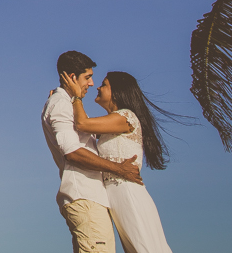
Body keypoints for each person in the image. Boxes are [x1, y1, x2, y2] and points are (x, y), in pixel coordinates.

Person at [60, 70, 175, 253]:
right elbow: (82, 125)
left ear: (117, 92)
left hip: (128, 192)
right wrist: (62, 97)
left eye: (104, 84)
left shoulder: (125, 117)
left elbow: (82, 124)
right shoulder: (112, 121)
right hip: (116, 197)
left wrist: (75, 97)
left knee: (146, 247)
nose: (97, 87)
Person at [42, 51, 143, 253]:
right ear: (72, 77)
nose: (91, 83)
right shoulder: (61, 104)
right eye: (87, 77)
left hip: (91, 198)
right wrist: (119, 169)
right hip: (85, 196)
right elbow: (72, 152)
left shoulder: (65, 103)